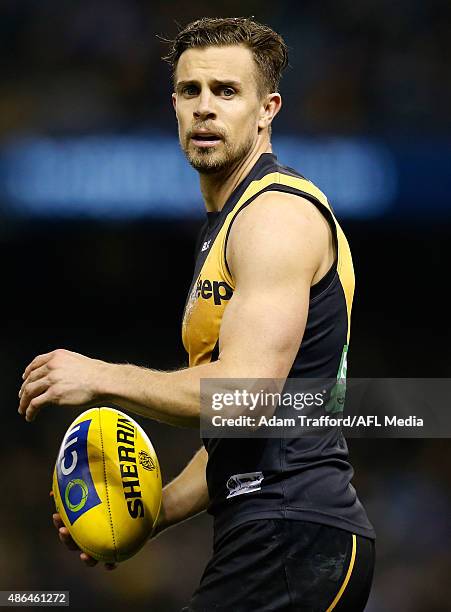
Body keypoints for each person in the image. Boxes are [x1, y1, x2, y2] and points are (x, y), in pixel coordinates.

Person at [18, 17, 375, 611]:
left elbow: (248, 396)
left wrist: (99, 376)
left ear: (268, 109)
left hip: (292, 533)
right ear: (175, 104)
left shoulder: (274, 217)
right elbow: (237, 439)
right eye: (191, 91)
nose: (205, 108)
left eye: (227, 91)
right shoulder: (229, 223)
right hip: (276, 534)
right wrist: (148, 515)